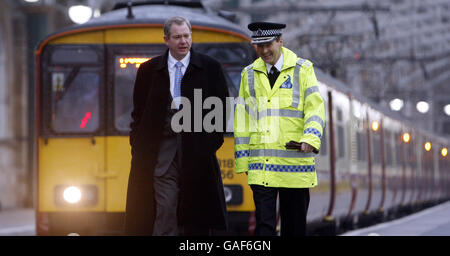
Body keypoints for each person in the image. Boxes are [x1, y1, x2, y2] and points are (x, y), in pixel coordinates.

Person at [125, 16, 229, 236]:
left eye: (187, 36)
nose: (183, 41)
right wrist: (139, 145)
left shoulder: (210, 68)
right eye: (177, 37)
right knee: (165, 208)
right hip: (162, 155)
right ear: (166, 40)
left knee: (196, 213)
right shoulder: (148, 71)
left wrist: (210, 145)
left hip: (197, 155)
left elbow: (222, 110)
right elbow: (138, 114)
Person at [234, 22, 325, 236]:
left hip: (293, 165)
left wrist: (310, 139)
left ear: (280, 42)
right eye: (259, 46)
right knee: (264, 227)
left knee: (294, 227)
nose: (264, 51)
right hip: (261, 166)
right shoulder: (248, 75)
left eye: (268, 45)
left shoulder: (303, 70)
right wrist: (243, 161)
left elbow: (315, 109)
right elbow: (242, 120)